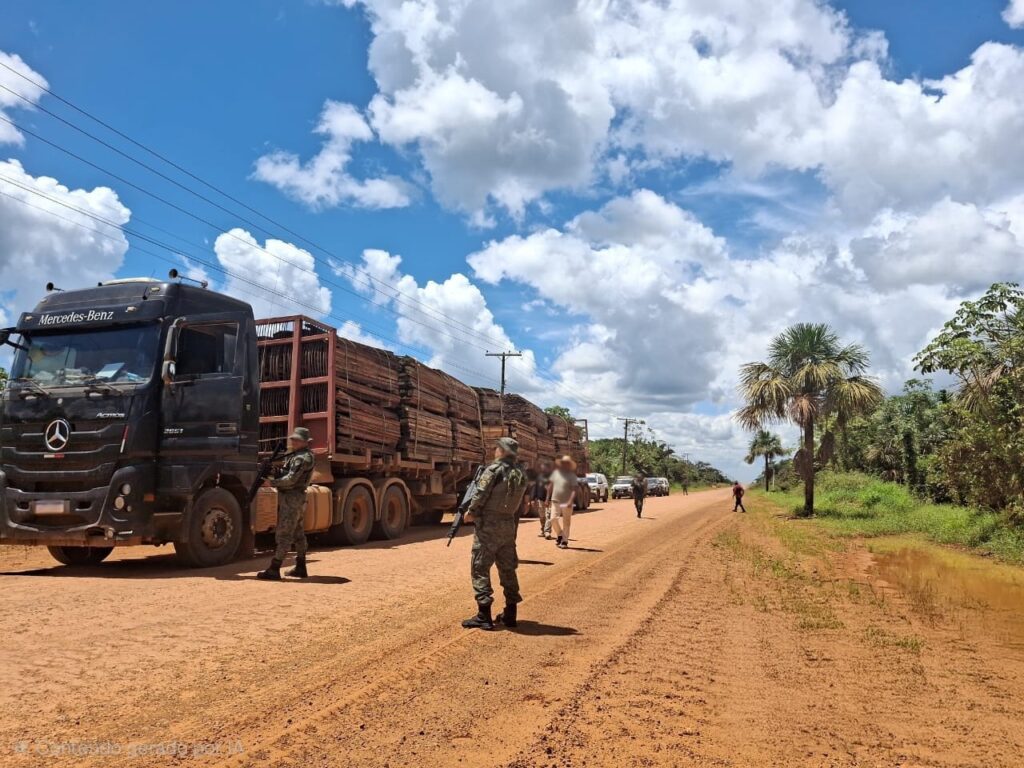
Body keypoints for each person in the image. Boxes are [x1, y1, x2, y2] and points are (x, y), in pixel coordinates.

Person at [462, 437, 530, 630]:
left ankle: (484, 615)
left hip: (489, 526)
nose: (495, 451)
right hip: (508, 525)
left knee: (480, 567)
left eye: (497, 448)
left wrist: (471, 512)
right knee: (508, 569)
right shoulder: (520, 472)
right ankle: (510, 613)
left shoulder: (494, 470)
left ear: (502, 450)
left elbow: (480, 493)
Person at [257, 427, 315, 581]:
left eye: (297, 440)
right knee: (297, 533)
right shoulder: (296, 455)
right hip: (295, 498)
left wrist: (272, 483)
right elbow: (287, 474)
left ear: (305, 442)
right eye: (293, 439)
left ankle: (274, 569)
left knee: (284, 533)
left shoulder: (302, 458)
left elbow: (291, 480)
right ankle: (301, 567)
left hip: (292, 498)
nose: (293, 442)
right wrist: (275, 471)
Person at [546, 456, 577, 549]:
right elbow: (550, 486)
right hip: (555, 500)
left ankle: (564, 541)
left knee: (566, 522)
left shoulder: (572, 476)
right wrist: (547, 499)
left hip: (566, 502)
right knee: (553, 519)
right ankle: (560, 534)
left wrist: (570, 501)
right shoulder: (555, 474)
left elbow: (574, 490)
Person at [531, 463, 552, 538]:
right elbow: (535, 488)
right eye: (542, 468)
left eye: (544, 468)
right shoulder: (539, 477)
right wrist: (533, 499)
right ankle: (543, 530)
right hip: (540, 500)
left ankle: (547, 531)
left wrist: (547, 499)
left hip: (549, 500)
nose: (543, 469)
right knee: (542, 516)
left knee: (548, 515)